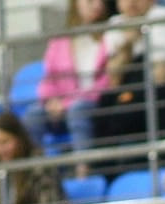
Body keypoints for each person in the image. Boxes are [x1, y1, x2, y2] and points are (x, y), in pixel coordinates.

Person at [86, 0, 165, 148]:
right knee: (105, 103)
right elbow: (113, 82)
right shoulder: (115, 24)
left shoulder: (161, 16)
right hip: (139, 94)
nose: (131, 2)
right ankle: (105, 159)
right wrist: (128, 45)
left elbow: (161, 77)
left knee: (145, 99)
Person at [39, 0, 116, 153]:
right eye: (90, 1)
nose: (97, 5)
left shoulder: (111, 35)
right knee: (34, 115)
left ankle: (83, 165)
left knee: (78, 110)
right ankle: (38, 164)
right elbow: (49, 78)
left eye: (101, 1)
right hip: (61, 108)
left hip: (95, 104)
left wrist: (67, 103)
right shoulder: (59, 40)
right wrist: (50, 101)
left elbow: (107, 81)